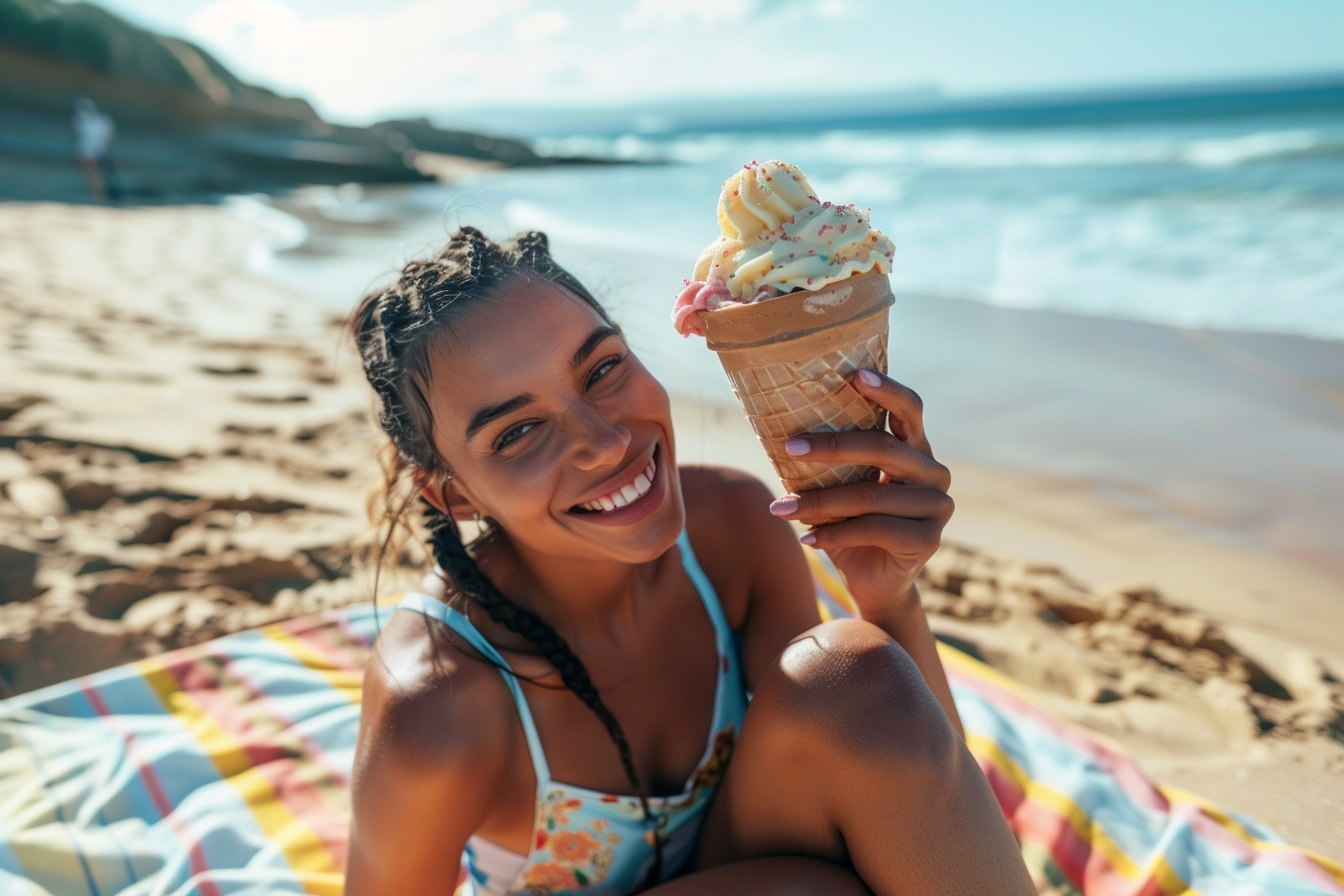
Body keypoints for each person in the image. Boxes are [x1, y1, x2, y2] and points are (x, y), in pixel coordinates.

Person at [345, 227, 1036, 896]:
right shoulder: (438, 705)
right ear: (457, 496)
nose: (607, 441)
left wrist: (889, 597)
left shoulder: (733, 529)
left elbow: (895, 771)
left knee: (853, 672)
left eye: (603, 369)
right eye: (520, 431)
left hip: (749, 860)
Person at [71, 97, 121, 203]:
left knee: (92, 175)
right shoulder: (104, 120)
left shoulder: (82, 120)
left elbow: (79, 132)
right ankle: (99, 195)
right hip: (98, 151)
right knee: (96, 174)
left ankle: (97, 195)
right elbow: (110, 138)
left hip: (86, 151)